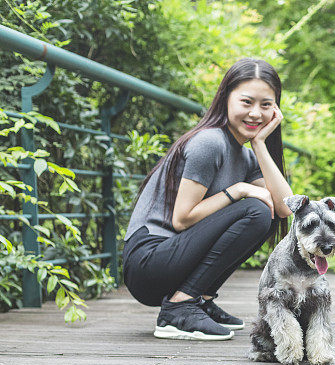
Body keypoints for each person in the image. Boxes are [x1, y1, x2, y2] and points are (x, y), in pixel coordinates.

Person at [122, 58, 293, 341]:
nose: (255, 113)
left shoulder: (247, 154)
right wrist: (236, 190)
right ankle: (179, 308)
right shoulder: (209, 142)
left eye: (266, 105)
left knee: (263, 211)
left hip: (173, 261)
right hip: (148, 262)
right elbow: (182, 219)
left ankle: (197, 298)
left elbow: (284, 208)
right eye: (246, 102)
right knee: (254, 209)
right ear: (226, 98)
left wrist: (260, 144)